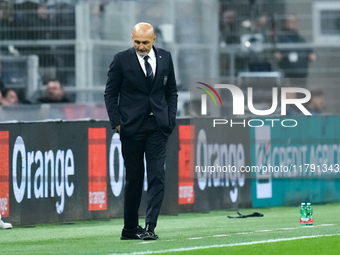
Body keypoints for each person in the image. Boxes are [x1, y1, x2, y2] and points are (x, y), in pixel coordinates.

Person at [104, 22, 177, 240]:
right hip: (131, 128)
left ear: (154, 40)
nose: (141, 46)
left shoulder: (166, 57)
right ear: (132, 38)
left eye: (145, 42)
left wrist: (169, 119)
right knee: (134, 177)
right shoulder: (121, 59)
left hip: (157, 127)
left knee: (157, 176)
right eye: (137, 42)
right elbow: (110, 93)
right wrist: (117, 123)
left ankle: (150, 227)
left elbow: (171, 90)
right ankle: (129, 229)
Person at [274, 14, 317, 86]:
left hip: (301, 76)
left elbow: (310, 52)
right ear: (285, 23)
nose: (293, 24)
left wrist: (312, 56)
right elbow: (276, 54)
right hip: (287, 76)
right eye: (290, 22)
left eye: (295, 22)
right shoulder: (280, 39)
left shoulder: (301, 39)